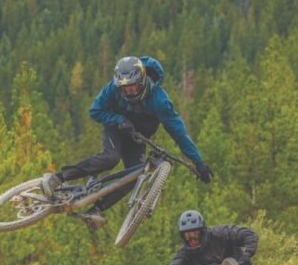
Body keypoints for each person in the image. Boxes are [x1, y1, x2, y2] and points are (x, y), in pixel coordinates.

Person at [40, 56, 211, 228]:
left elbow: (179, 133)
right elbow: (95, 111)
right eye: (124, 88)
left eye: (133, 86)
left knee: (134, 176)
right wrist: (119, 119)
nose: (129, 91)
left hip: (137, 137)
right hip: (116, 128)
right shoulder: (112, 89)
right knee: (110, 158)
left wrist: (199, 163)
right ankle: (58, 178)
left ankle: (96, 210)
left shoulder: (160, 101)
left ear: (143, 80)